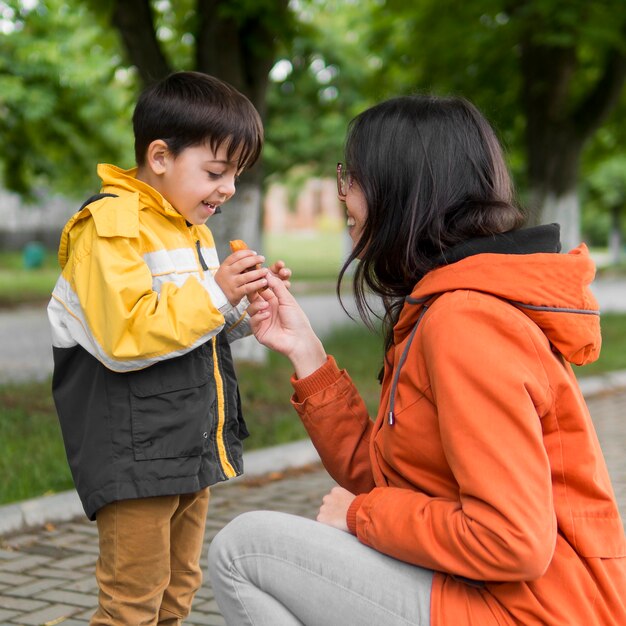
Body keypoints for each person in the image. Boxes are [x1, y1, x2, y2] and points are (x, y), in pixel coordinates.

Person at [207, 95, 626, 625]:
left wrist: (361, 515)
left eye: (352, 176)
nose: (343, 193)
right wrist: (304, 350)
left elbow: (513, 540)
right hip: (497, 597)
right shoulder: (446, 304)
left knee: (245, 550)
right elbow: (383, 471)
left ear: (401, 187)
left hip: (531, 611)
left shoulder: (466, 321)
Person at [47, 71, 291, 625]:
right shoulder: (110, 227)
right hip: (135, 450)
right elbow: (126, 335)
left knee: (179, 589)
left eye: (236, 174)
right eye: (215, 171)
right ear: (159, 157)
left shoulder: (189, 229)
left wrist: (246, 309)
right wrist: (218, 290)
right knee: (133, 599)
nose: (228, 188)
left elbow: (189, 328)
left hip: (187, 441)